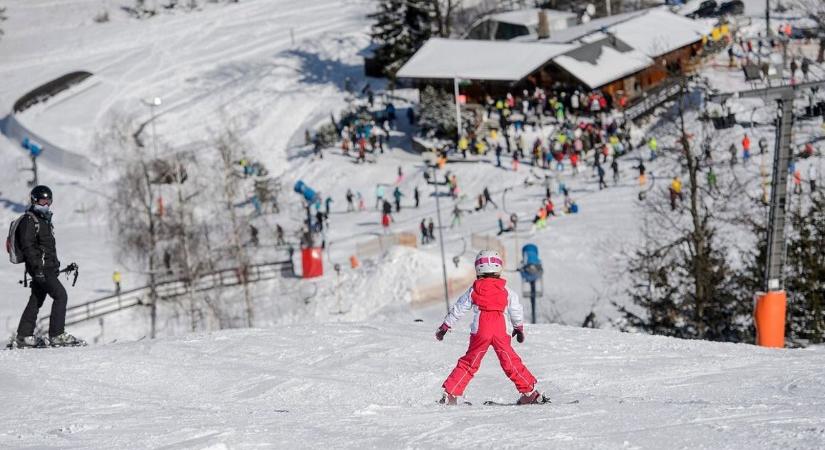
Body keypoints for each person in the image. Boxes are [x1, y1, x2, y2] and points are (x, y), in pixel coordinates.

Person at [435, 250, 543, 405]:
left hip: (481, 329)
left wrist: (446, 326)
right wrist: (518, 328)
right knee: (510, 361)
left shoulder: (474, 289)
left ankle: (451, 394)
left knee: (470, 362)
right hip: (500, 329)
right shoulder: (506, 291)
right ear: (499, 268)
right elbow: (516, 310)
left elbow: (459, 308)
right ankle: (530, 393)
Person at [12, 186, 84, 348]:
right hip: (40, 269)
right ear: (34, 200)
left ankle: (24, 336)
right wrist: (37, 268)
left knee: (36, 299)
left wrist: (55, 265)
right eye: (43, 201)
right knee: (60, 296)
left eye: (49, 201)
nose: (46, 204)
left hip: (47, 268)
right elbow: (28, 247)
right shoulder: (29, 220)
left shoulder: (44, 220)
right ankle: (57, 334)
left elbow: (46, 247)